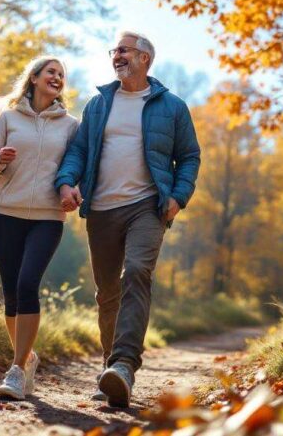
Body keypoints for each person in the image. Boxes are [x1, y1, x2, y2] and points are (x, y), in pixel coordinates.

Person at [55, 30, 201, 408]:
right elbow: (79, 150)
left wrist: (178, 196)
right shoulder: (99, 104)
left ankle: (123, 366)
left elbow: (189, 156)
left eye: (124, 50)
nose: (116, 56)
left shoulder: (172, 106)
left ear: (144, 58)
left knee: (136, 272)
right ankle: (111, 370)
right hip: (101, 208)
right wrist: (66, 181)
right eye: (114, 51)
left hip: (148, 206)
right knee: (107, 294)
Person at [0, 57, 79, 400]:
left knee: (27, 285)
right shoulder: (8, 118)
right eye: (51, 71)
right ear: (34, 78)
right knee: (11, 294)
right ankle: (27, 357)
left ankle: (17, 370)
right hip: (5, 213)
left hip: (48, 217)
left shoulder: (71, 126)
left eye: (61, 74)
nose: (57, 77)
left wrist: (73, 189)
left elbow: (75, 166)